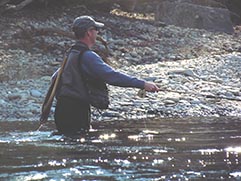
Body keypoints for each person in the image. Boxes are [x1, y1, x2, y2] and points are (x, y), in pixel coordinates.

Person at [54, 15, 160, 135]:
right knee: (81, 150)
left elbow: (55, 78)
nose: (98, 32)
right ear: (89, 33)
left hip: (62, 109)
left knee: (69, 147)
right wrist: (143, 84)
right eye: (96, 30)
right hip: (77, 111)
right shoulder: (88, 56)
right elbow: (111, 76)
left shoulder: (70, 54)